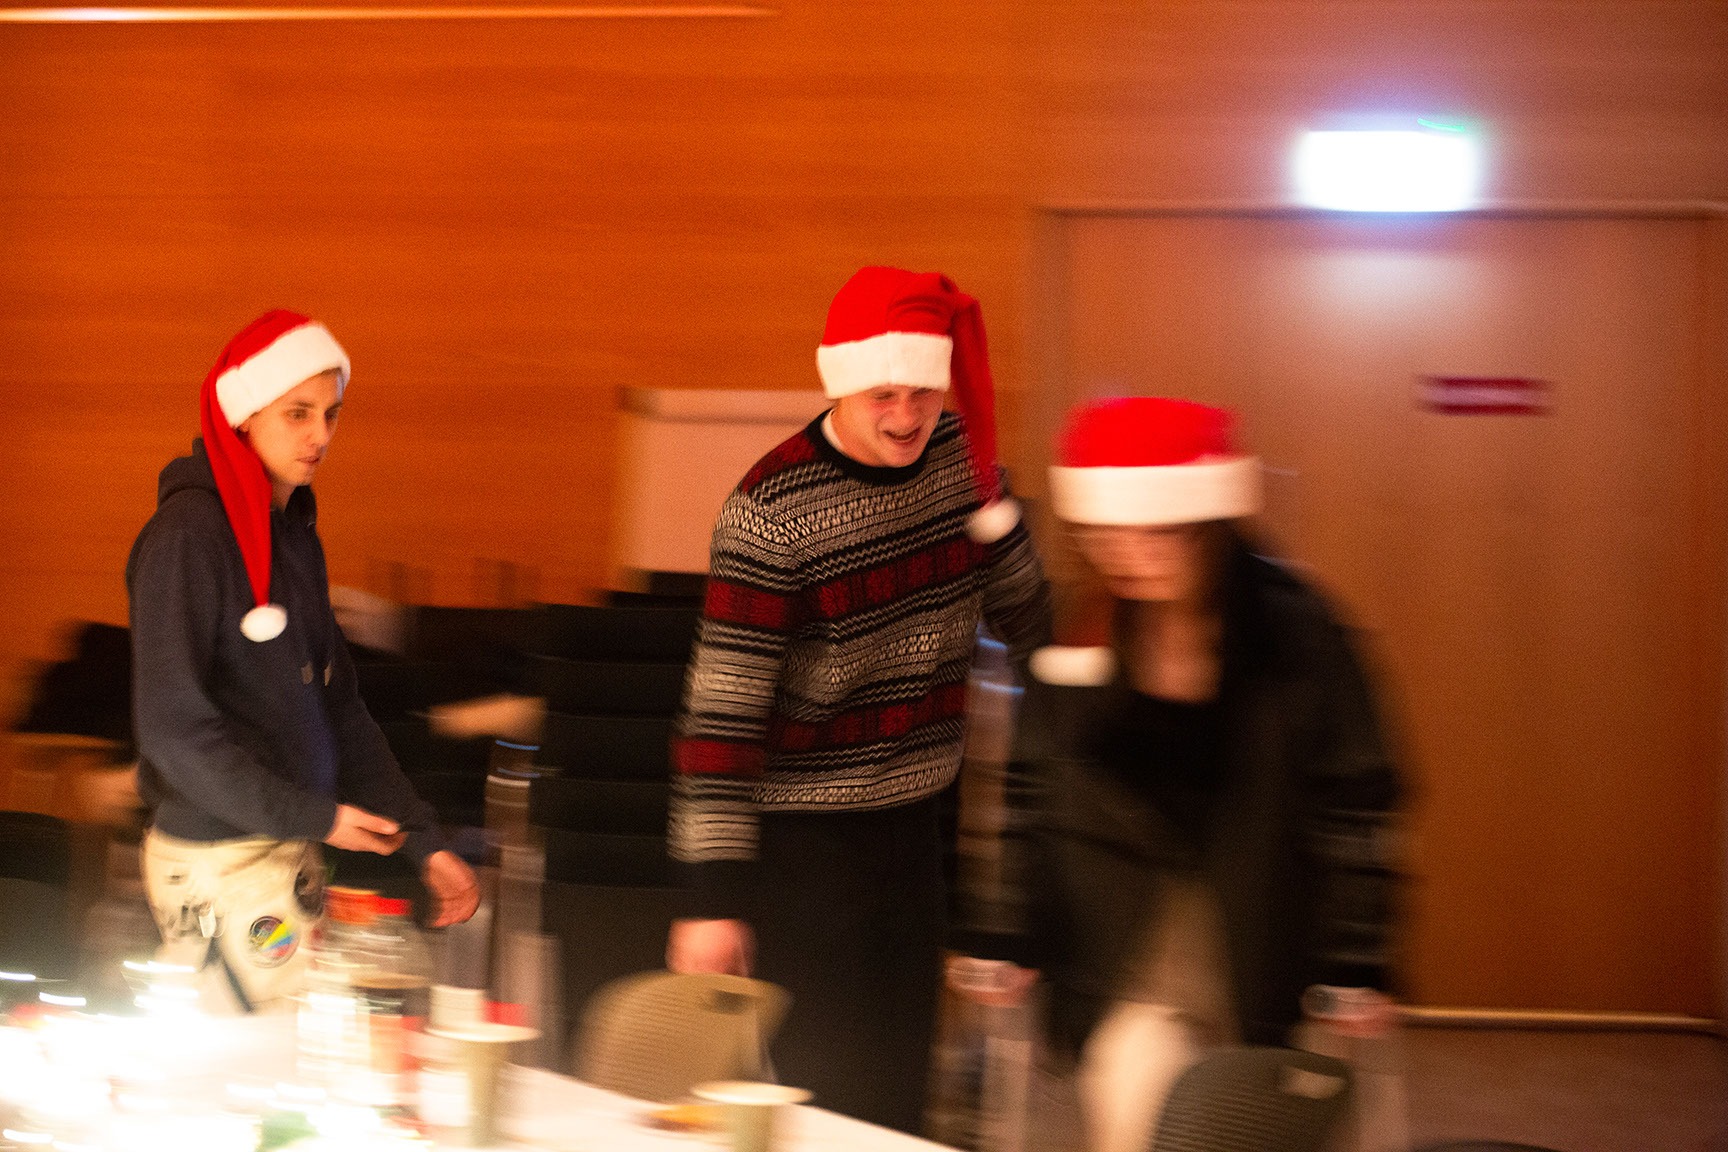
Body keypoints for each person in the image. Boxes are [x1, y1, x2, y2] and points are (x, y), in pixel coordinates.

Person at [665, 267, 1052, 1133]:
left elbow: (1031, 620)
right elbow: (721, 717)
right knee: (834, 1102)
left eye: (923, 392)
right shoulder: (772, 511)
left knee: (904, 1100)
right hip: (804, 844)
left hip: (916, 830)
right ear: (840, 385)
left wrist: (997, 512)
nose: (907, 416)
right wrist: (711, 898)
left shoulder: (961, 459)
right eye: (884, 395)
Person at [1015, 396, 1404, 1152]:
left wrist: (1357, 954)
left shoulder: (1297, 632)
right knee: (1137, 1119)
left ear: (1208, 526)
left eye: (1155, 532)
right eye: (1107, 534)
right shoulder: (1080, 628)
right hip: (1124, 949)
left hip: (1259, 937)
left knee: (1249, 1131)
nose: (1128, 554)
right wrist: (1002, 928)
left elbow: (1358, 797)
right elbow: (1032, 785)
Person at [127, 309, 480, 1013]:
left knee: (303, 1052)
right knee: (267, 1058)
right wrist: (316, 816)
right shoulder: (187, 538)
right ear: (244, 415)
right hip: (217, 863)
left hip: (284, 850)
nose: (320, 435)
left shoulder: (291, 535)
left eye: (331, 413)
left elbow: (340, 714)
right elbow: (176, 735)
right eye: (298, 413)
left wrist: (423, 841)